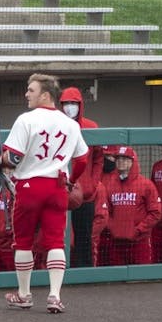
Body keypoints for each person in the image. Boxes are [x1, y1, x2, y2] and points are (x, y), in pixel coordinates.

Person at [0, 73, 89, 314]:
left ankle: (25, 294)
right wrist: (73, 180)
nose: (26, 94)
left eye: (31, 90)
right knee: (56, 242)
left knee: (24, 242)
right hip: (58, 186)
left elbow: (14, 157)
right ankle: (54, 295)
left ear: (45, 95)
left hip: (29, 186)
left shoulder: (26, 119)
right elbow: (82, 159)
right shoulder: (71, 124)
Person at [92, 146, 161, 266]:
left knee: (141, 278)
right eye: (118, 159)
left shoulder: (146, 185)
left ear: (132, 161)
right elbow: (106, 212)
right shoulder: (110, 185)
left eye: (125, 159)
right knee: (116, 279)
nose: (120, 162)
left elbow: (155, 213)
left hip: (140, 242)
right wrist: (114, 229)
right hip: (117, 243)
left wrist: (138, 230)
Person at [59, 87, 104, 267]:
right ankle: (59, 272)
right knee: (59, 237)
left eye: (74, 103)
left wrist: (92, 184)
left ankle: (84, 273)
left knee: (84, 237)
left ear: (80, 105)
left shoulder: (91, 127)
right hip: (60, 192)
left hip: (85, 195)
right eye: (66, 103)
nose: (70, 107)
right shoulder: (57, 126)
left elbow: (99, 159)